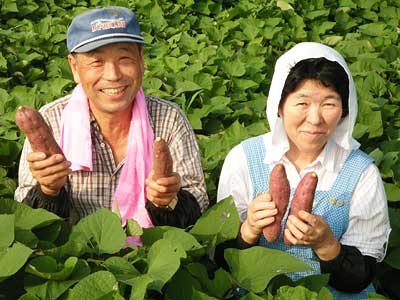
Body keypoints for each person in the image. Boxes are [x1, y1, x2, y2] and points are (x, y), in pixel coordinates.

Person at [217, 42, 391, 299]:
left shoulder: (361, 172)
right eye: (302, 103)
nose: (314, 119)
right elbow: (220, 260)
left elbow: (362, 275)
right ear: (279, 105)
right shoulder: (243, 158)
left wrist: (328, 245)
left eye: (329, 104)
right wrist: (248, 230)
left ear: (344, 111)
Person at [15, 6, 208, 229]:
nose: (113, 75)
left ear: (141, 60)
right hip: (76, 257)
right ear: (75, 68)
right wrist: (48, 190)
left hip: (151, 255)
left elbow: (199, 203)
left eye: (125, 58)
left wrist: (168, 201)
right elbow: (27, 222)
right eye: (97, 62)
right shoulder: (51, 121)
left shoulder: (169, 119)